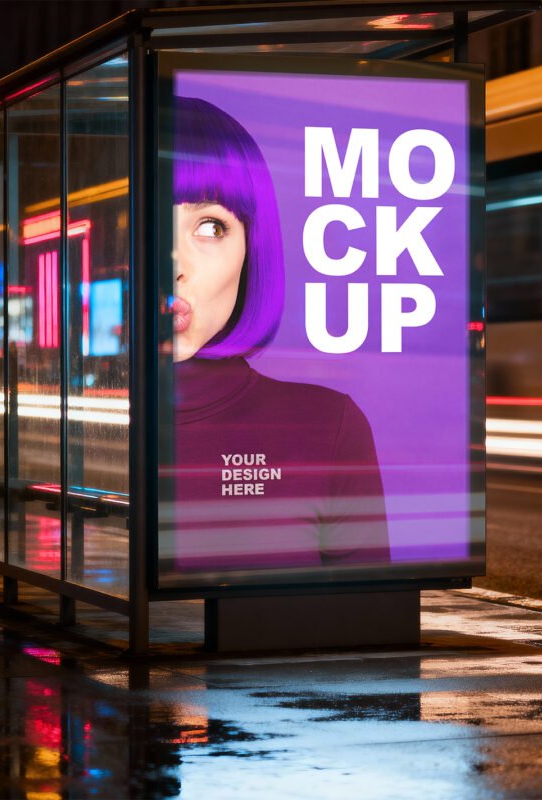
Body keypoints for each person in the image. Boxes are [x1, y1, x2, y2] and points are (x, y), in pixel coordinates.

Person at [165, 97, 389, 573]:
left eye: (209, 225)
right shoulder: (60, 427)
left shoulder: (327, 428)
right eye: (141, 220)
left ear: (251, 245)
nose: (174, 265)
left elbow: (370, 628)